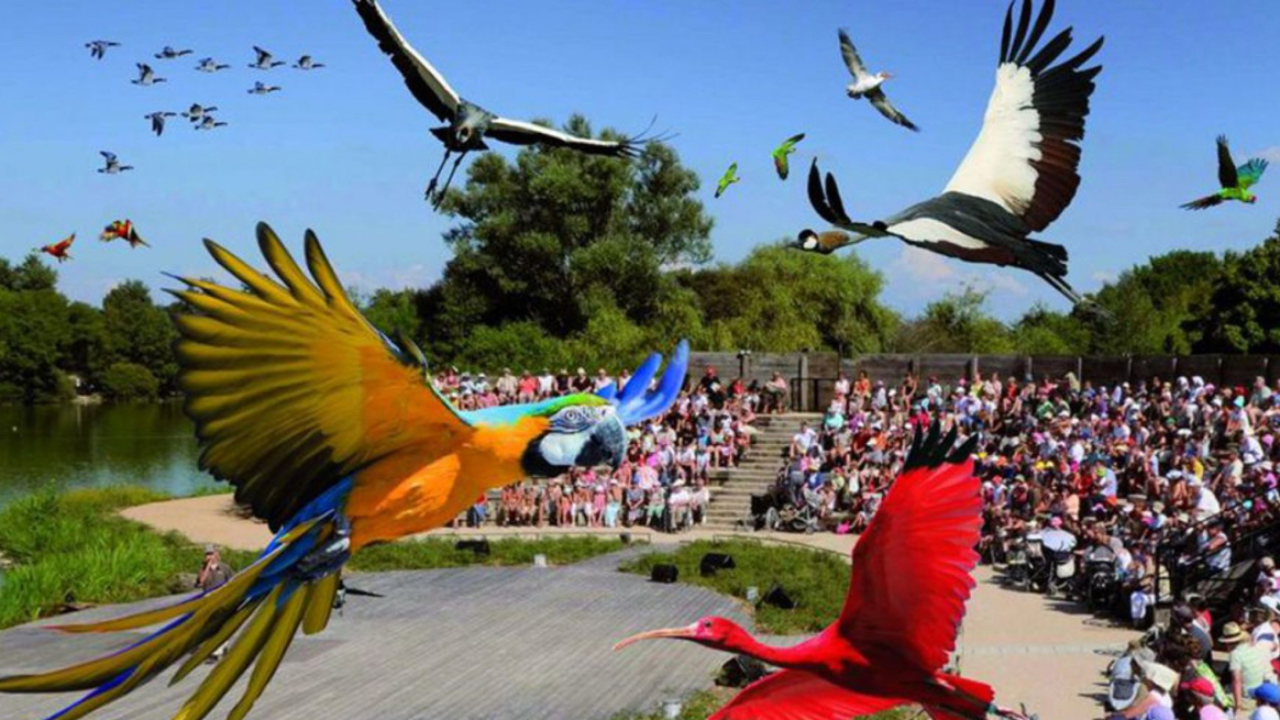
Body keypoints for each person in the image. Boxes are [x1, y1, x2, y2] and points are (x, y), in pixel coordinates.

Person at [1223, 621, 1278, 713]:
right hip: (1258, 688)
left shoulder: (1235, 654)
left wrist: (1238, 704)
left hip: (1247, 696)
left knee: (1221, 695)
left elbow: (1236, 680)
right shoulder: (1251, 646)